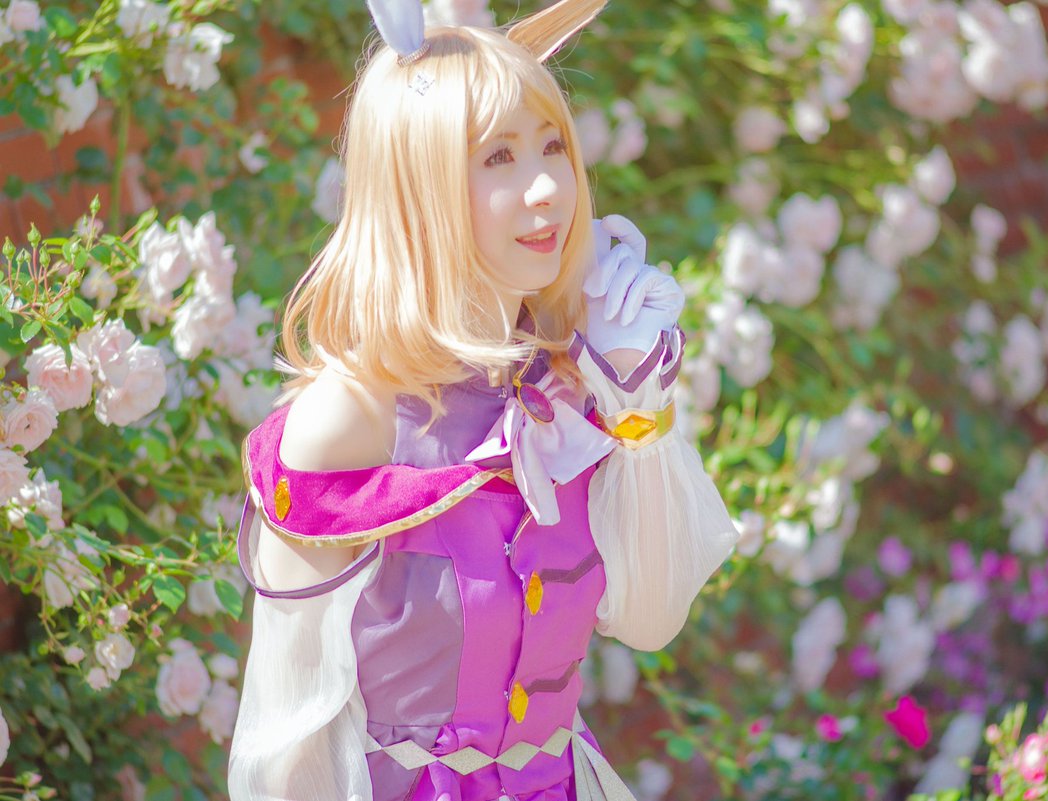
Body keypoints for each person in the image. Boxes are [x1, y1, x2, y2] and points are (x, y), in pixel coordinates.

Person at [227, 1, 738, 798]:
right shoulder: (349, 420)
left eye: (552, 146)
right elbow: (288, 752)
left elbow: (650, 619)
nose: (549, 189)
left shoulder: (573, 390)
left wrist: (639, 402)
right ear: (417, 188)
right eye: (498, 156)